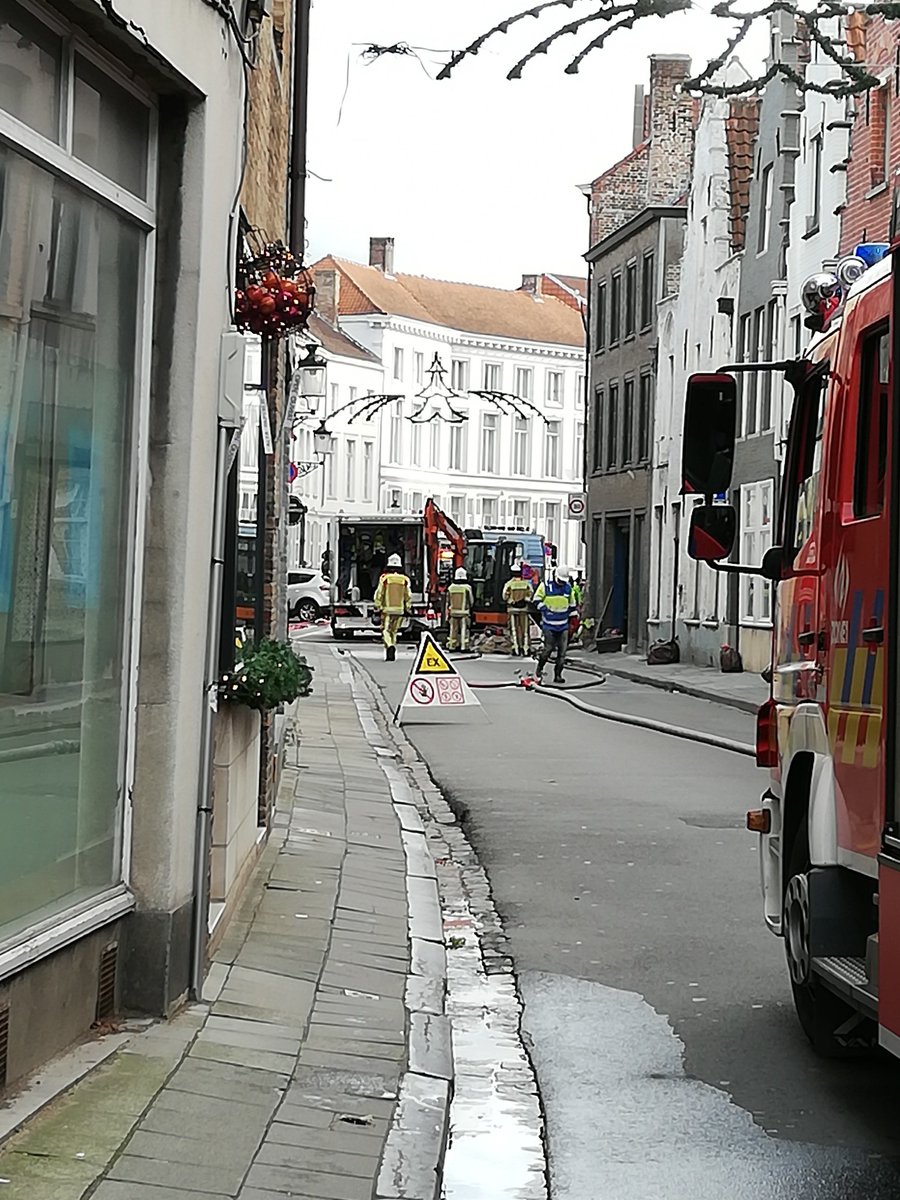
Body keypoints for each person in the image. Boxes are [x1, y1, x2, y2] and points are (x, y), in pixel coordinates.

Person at [533, 566, 575, 684]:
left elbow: (572, 605)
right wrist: (545, 609)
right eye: (560, 580)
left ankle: (558, 675)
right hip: (549, 625)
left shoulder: (568, 588)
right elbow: (536, 599)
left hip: (563, 625)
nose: (562, 583)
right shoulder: (546, 586)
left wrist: (573, 621)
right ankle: (539, 669)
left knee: (562, 653)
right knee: (548, 649)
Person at [374, 553, 411, 661]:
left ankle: (390, 646)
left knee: (386, 630)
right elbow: (408, 595)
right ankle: (392, 648)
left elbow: (379, 593)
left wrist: (377, 606)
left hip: (387, 610)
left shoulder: (385, 578)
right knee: (394, 631)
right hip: (399, 610)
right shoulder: (404, 579)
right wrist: (408, 608)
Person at [502, 561, 533, 656]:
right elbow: (530, 594)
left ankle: (516, 649)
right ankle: (526, 649)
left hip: (512, 609)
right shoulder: (526, 584)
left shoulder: (509, 584)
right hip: (524, 609)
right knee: (525, 630)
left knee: (514, 629)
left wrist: (512, 601)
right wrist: (524, 600)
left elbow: (504, 596)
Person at [446, 567, 474, 651]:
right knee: (464, 630)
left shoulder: (451, 588)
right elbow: (471, 600)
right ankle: (464, 646)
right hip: (464, 612)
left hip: (453, 612)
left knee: (453, 630)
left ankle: (452, 646)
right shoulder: (467, 588)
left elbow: (448, 601)